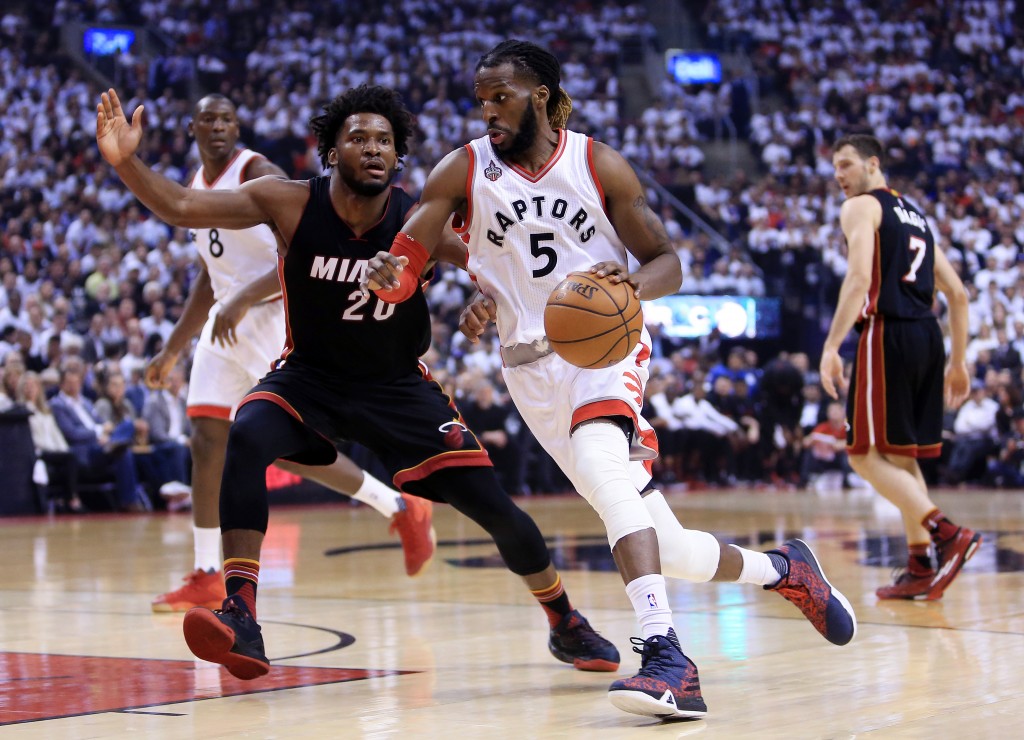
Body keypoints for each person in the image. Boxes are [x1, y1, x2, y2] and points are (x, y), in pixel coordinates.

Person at [363, 40, 856, 720]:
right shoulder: (463, 169)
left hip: (606, 343)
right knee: (669, 544)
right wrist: (393, 275)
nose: (488, 111)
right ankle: (785, 569)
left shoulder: (597, 163)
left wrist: (633, 283)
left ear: (538, 94)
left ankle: (666, 657)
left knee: (601, 465)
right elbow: (411, 250)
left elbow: (668, 262)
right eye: (480, 100)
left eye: (500, 96)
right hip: (527, 367)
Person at [97, 84, 620, 681]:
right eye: (358, 138)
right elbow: (183, 208)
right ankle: (241, 610)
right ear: (331, 151)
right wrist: (125, 161)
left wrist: (485, 301)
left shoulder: (417, 218)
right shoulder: (289, 202)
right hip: (309, 377)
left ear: (398, 157)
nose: (372, 148)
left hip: (397, 388)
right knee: (245, 430)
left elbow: (494, 271)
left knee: (495, 509)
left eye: (384, 141)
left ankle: (564, 620)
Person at [142, 94, 437, 614]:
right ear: (191, 127)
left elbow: (303, 248)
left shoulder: (258, 171)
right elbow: (210, 281)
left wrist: (243, 297)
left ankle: (396, 504)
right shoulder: (194, 183)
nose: (217, 126)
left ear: (238, 127)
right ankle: (209, 571)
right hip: (226, 320)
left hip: (278, 312)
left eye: (227, 117)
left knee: (284, 443)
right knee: (207, 438)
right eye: (207, 118)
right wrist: (171, 349)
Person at [820, 133, 981, 600]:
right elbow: (958, 294)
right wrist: (959, 361)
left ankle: (946, 533)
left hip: (888, 333)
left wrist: (832, 346)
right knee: (900, 457)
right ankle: (919, 563)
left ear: (873, 165)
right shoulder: (917, 216)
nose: (839, 176)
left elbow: (858, 277)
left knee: (862, 455)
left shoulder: (861, 207)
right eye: (835, 168)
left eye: (846, 164)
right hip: (928, 335)